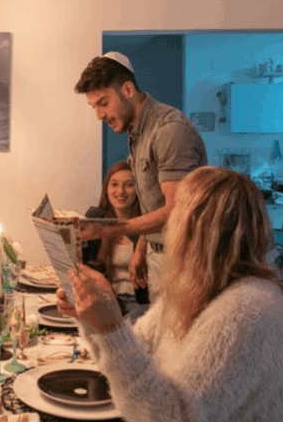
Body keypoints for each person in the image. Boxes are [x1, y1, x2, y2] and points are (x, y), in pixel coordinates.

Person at [55, 166, 283, 422]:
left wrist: (110, 327)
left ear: (198, 228)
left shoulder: (248, 309)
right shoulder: (195, 289)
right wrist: (94, 316)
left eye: (176, 213)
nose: (167, 226)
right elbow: (129, 356)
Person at [74, 51, 207, 303]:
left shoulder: (169, 130)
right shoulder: (137, 132)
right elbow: (154, 204)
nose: (99, 115)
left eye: (103, 103)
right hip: (158, 253)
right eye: (94, 107)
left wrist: (106, 230)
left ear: (127, 90)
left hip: (181, 259)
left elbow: (177, 210)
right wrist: (142, 249)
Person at [82, 160, 149, 317]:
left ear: (138, 189)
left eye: (129, 185)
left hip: (139, 303)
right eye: (114, 184)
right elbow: (81, 264)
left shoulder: (147, 224)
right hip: (106, 301)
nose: (121, 191)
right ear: (106, 188)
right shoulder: (96, 219)